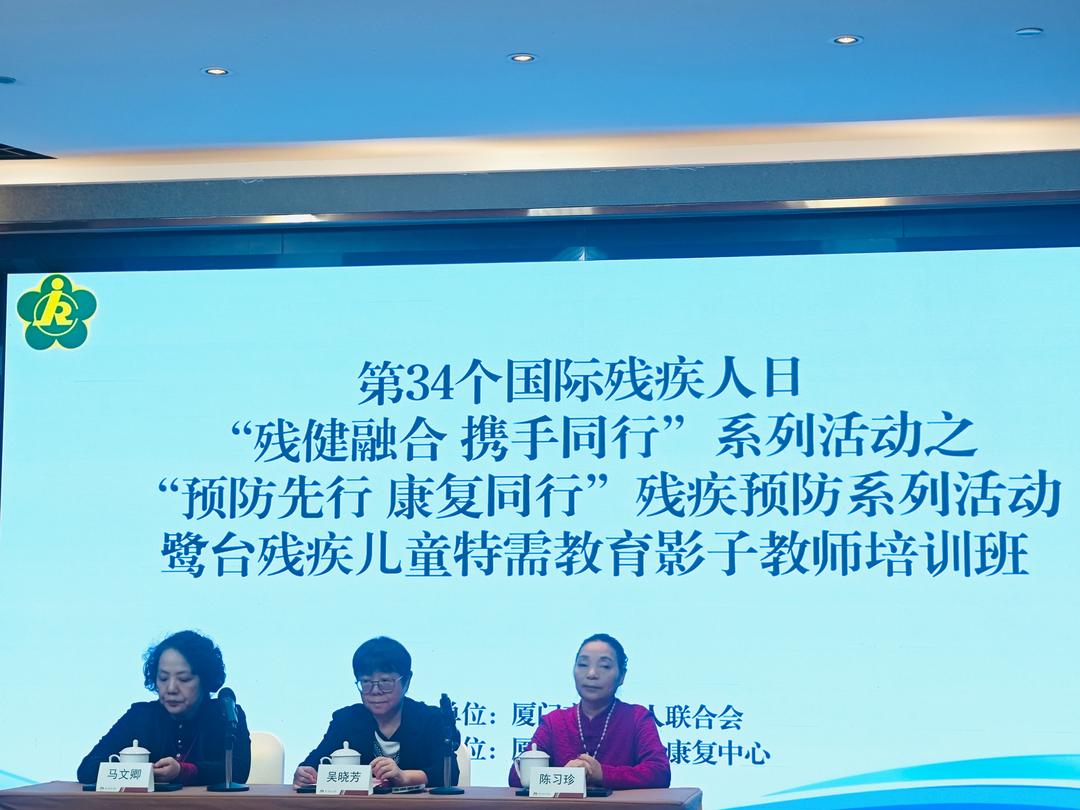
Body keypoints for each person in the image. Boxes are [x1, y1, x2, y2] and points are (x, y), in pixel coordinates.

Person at [77, 630, 251, 786]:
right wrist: (143, 773)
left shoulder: (225, 715)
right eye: (163, 678)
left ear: (205, 680)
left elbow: (237, 772)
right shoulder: (140, 716)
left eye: (183, 679)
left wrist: (183, 771)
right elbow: (87, 769)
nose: (171, 688)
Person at [509, 633, 670, 790]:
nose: (591, 674)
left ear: (622, 676)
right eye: (583, 664)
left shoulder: (636, 718)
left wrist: (602, 774)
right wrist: (564, 777)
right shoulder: (554, 722)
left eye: (604, 666)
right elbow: (517, 776)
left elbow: (660, 772)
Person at [293, 637, 459, 788]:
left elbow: (449, 774)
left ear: (407, 681)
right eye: (366, 682)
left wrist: (404, 777)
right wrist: (304, 775)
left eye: (385, 681)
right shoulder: (346, 720)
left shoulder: (430, 719)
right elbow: (314, 764)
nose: (375, 691)